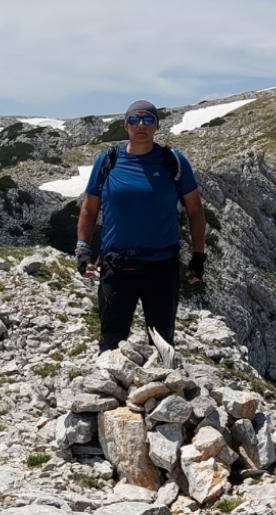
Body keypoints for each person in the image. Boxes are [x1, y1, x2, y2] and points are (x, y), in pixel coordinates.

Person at [75, 100, 207, 354]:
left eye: (148, 120)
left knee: (162, 342)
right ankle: (110, 377)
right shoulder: (108, 161)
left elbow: (195, 210)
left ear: (157, 126)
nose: (141, 125)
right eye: (134, 120)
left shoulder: (173, 161)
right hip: (116, 265)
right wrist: (82, 248)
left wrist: (198, 254)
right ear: (126, 126)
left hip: (162, 267)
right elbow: (89, 209)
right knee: (111, 340)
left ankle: (164, 379)